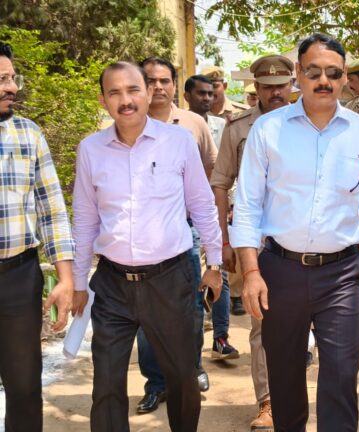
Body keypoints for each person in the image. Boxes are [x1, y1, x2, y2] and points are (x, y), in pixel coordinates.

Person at [230, 33, 359, 431]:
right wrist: (251, 272)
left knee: (341, 378)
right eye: (313, 71)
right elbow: (247, 205)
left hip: (342, 274)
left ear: (345, 77)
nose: (323, 81)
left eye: (333, 73)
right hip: (279, 272)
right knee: (284, 378)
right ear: (298, 75)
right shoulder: (268, 130)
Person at [72, 61, 222, 432]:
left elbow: (201, 204)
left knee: (182, 376)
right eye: (115, 92)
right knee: (106, 383)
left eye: (133, 90)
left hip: (170, 280)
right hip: (112, 284)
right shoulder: (91, 149)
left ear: (148, 92)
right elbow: (85, 218)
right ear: (103, 100)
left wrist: (215, 264)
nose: (125, 100)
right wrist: (78, 281)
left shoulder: (178, 142)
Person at [209, 53, 294, 431]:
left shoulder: (309, 122)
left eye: (281, 86)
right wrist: (223, 242)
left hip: (303, 237)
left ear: (291, 85)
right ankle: (268, 400)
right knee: (262, 321)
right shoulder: (238, 127)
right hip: (256, 240)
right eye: (267, 87)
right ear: (256, 88)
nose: (275, 93)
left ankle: (295, 395)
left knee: (302, 322)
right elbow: (220, 183)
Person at [0, 41, 75, 432]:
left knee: (24, 387)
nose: (12, 87)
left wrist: (65, 278)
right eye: (2, 79)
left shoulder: (28, 134)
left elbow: (52, 211)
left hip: (18, 276)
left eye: (13, 78)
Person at [136, 56, 219, 413]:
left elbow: (211, 172)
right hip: (139, 237)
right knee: (145, 316)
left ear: (174, 85)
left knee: (190, 307)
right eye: (150, 80)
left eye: (164, 80)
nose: (158, 87)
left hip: (185, 231)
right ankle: (156, 383)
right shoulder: (126, 122)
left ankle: (191, 368)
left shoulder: (193, 124)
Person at [184, 73, 240, 362]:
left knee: (220, 272)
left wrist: (228, 205)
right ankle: (190, 349)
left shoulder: (223, 126)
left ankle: (221, 337)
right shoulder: (177, 127)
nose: (207, 98)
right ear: (187, 96)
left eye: (211, 93)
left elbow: (227, 173)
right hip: (185, 215)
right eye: (201, 93)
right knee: (194, 277)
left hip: (215, 211)